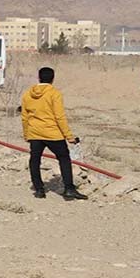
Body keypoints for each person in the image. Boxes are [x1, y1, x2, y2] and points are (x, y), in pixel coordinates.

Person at [21, 67, 87, 200]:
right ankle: (69, 188)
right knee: (64, 158)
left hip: (34, 133)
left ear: (39, 77)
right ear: (52, 78)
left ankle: (39, 189)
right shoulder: (54, 93)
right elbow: (59, 117)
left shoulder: (28, 94)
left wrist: (27, 134)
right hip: (53, 133)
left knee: (34, 160)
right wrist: (69, 137)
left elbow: (24, 116)